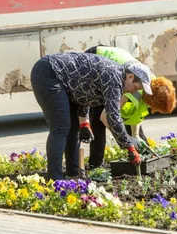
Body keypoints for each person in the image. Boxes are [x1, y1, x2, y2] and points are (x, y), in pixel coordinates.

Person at [30, 52, 154, 181]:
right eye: (136, 87)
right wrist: (129, 146)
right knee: (61, 127)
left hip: (61, 79)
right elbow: (113, 117)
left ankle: (72, 175)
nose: (134, 91)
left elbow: (84, 92)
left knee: (73, 127)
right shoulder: (114, 78)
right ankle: (55, 179)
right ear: (130, 76)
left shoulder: (115, 76)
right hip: (49, 72)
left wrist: (84, 123)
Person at [73, 45, 177, 170]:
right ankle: (96, 164)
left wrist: (136, 135)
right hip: (97, 58)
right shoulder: (132, 85)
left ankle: (142, 159)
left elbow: (136, 114)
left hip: (118, 66)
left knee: (129, 131)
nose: (152, 108)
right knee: (98, 116)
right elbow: (106, 117)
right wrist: (125, 138)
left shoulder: (152, 84)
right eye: (155, 107)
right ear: (152, 99)